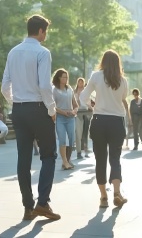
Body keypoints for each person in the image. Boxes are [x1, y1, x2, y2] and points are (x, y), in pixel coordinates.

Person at [1, 14, 61, 222]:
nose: (46, 35)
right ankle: (42, 203)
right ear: (41, 31)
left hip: (19, 110)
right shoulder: (43, 53)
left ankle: (28, 207)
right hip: (38, 109)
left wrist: (15, 101)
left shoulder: (13, 52)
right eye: (46, 31)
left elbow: (4, 86)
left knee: (23, 158)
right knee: (48, 155)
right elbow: (45, 85)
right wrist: (51, 109)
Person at [79, 50, 130, 208]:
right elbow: (122, 99)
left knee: (100, 160)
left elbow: (82, 97)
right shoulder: (122, 81)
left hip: (99, 120)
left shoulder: (96, 76)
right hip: (116, 122)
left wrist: (91, 104)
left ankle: (103, 197)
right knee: (115, 159)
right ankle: (116, 192)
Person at [52, 68, 78, 170]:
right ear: (59, 78)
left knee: (71, 139)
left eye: (67, 77)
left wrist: (74, 111)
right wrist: (63, 112)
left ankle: (67, 159)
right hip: (60, 117)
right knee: (62, 139)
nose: (66, 79)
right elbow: (53, 106)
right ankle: (65, 161)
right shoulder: (54, 90)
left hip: (71, 117)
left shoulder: (70, 89)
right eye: (64, 77)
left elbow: (75, 105)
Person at [74, 77, 91, 159]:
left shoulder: (86, 92)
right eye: (79, 82)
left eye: (81, 82)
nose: (80, 84)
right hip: (77, 113)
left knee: (85, 133)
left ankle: (86, 151)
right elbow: (73, 102)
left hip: (86, 113)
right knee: (78, 133)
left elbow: (89, 102)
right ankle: (78, 152)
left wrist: (89, 106)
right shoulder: (74, 92)